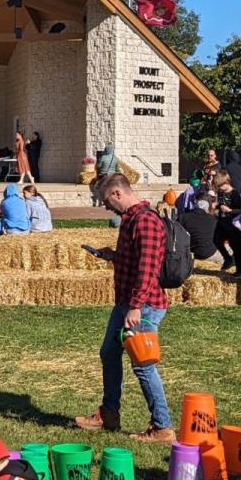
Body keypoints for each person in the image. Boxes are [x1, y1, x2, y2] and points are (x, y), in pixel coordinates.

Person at [74, 174, 171, 441]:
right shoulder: (130, 220)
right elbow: (135, 261)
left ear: (117, 194)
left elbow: (148, 269)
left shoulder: (146, 221)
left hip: (144, 305)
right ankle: (109, 413)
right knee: (108, 353)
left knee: (142, 364)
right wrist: (113, 256)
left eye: (106, 201)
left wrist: (136, 306)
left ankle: (162, 426)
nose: (106, 207)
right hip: (127, 302)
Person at [177, 193, 221, 265]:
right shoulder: (213, 219)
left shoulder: (183, 217)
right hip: (210, 252)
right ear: (207, 206)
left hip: (191, 252)